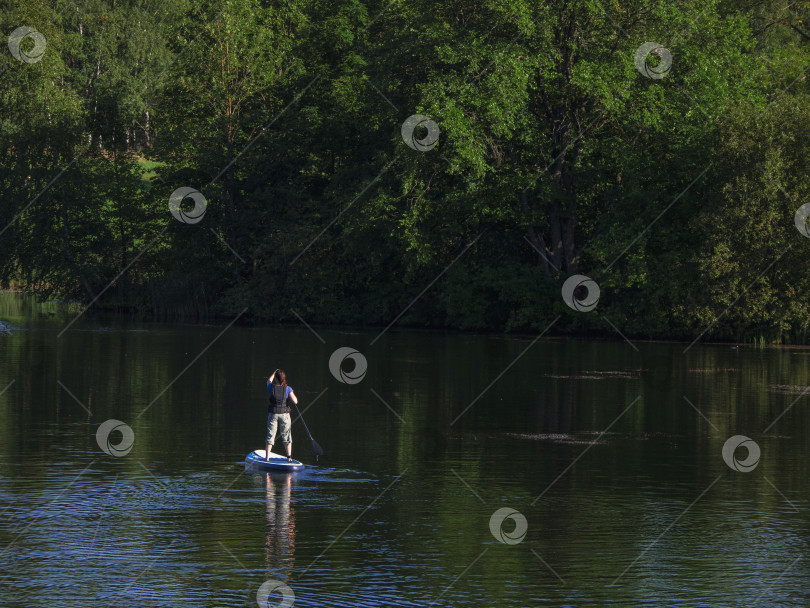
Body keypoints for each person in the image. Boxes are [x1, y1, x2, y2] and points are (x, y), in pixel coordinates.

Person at [266, 369, 298, 462]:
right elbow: (295, 401)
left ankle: (267, 458)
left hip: (273, 414)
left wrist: (273, 373)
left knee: (270, 436)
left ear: (275, 378)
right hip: (285, 415)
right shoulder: (288, 388)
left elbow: (268, 381)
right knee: (287, 436)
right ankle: (289, 458)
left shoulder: (271, 387)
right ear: (283, 379)